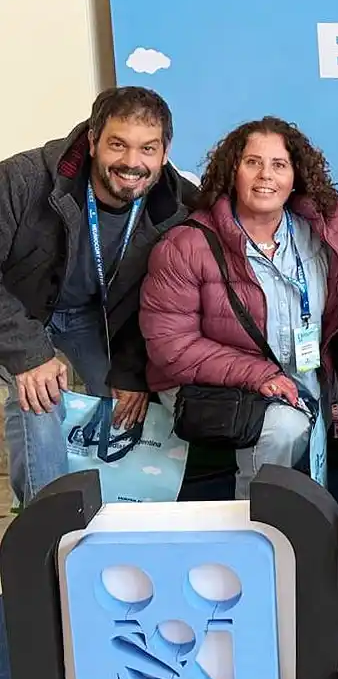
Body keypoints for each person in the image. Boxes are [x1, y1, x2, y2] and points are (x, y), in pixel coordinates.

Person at [139, 117, 338, 499]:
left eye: (279, 165)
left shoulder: (322, 233)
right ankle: (256, 523)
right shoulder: (185, 245)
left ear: (296, 177)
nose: (266, 176)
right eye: (252, 163)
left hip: (301, 377)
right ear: (232, 172)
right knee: (285, 427)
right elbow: (170, 346)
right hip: (210, 382)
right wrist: (258, 375)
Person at [0, 86, 197, 506]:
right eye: (117, 145)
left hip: (96, 316)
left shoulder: (177, 206)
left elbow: (161, 298)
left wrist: (130, 371)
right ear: (92, 141)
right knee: (39, 402)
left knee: (123, 405)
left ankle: (113, 520)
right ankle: (46, 526)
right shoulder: (22, 179)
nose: (132, 162)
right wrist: (27, 354)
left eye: (148, 148)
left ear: (165, 151)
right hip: (20, 309)